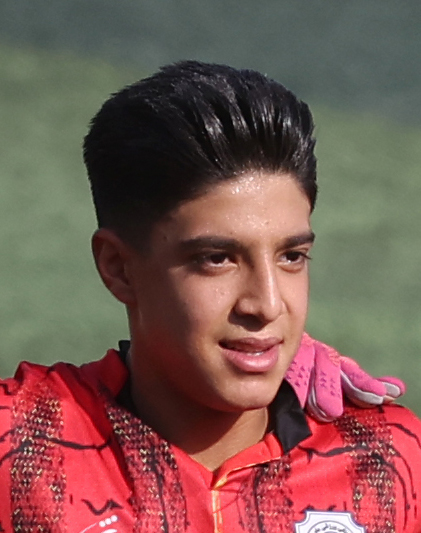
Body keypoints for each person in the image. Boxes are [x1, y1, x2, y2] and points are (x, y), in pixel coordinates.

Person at [0, 61, 419, 533]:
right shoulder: (20, 445)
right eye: (217, 259)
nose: (267, 304)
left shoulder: (389, 459)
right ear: (118, 268)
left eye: (292, 256)